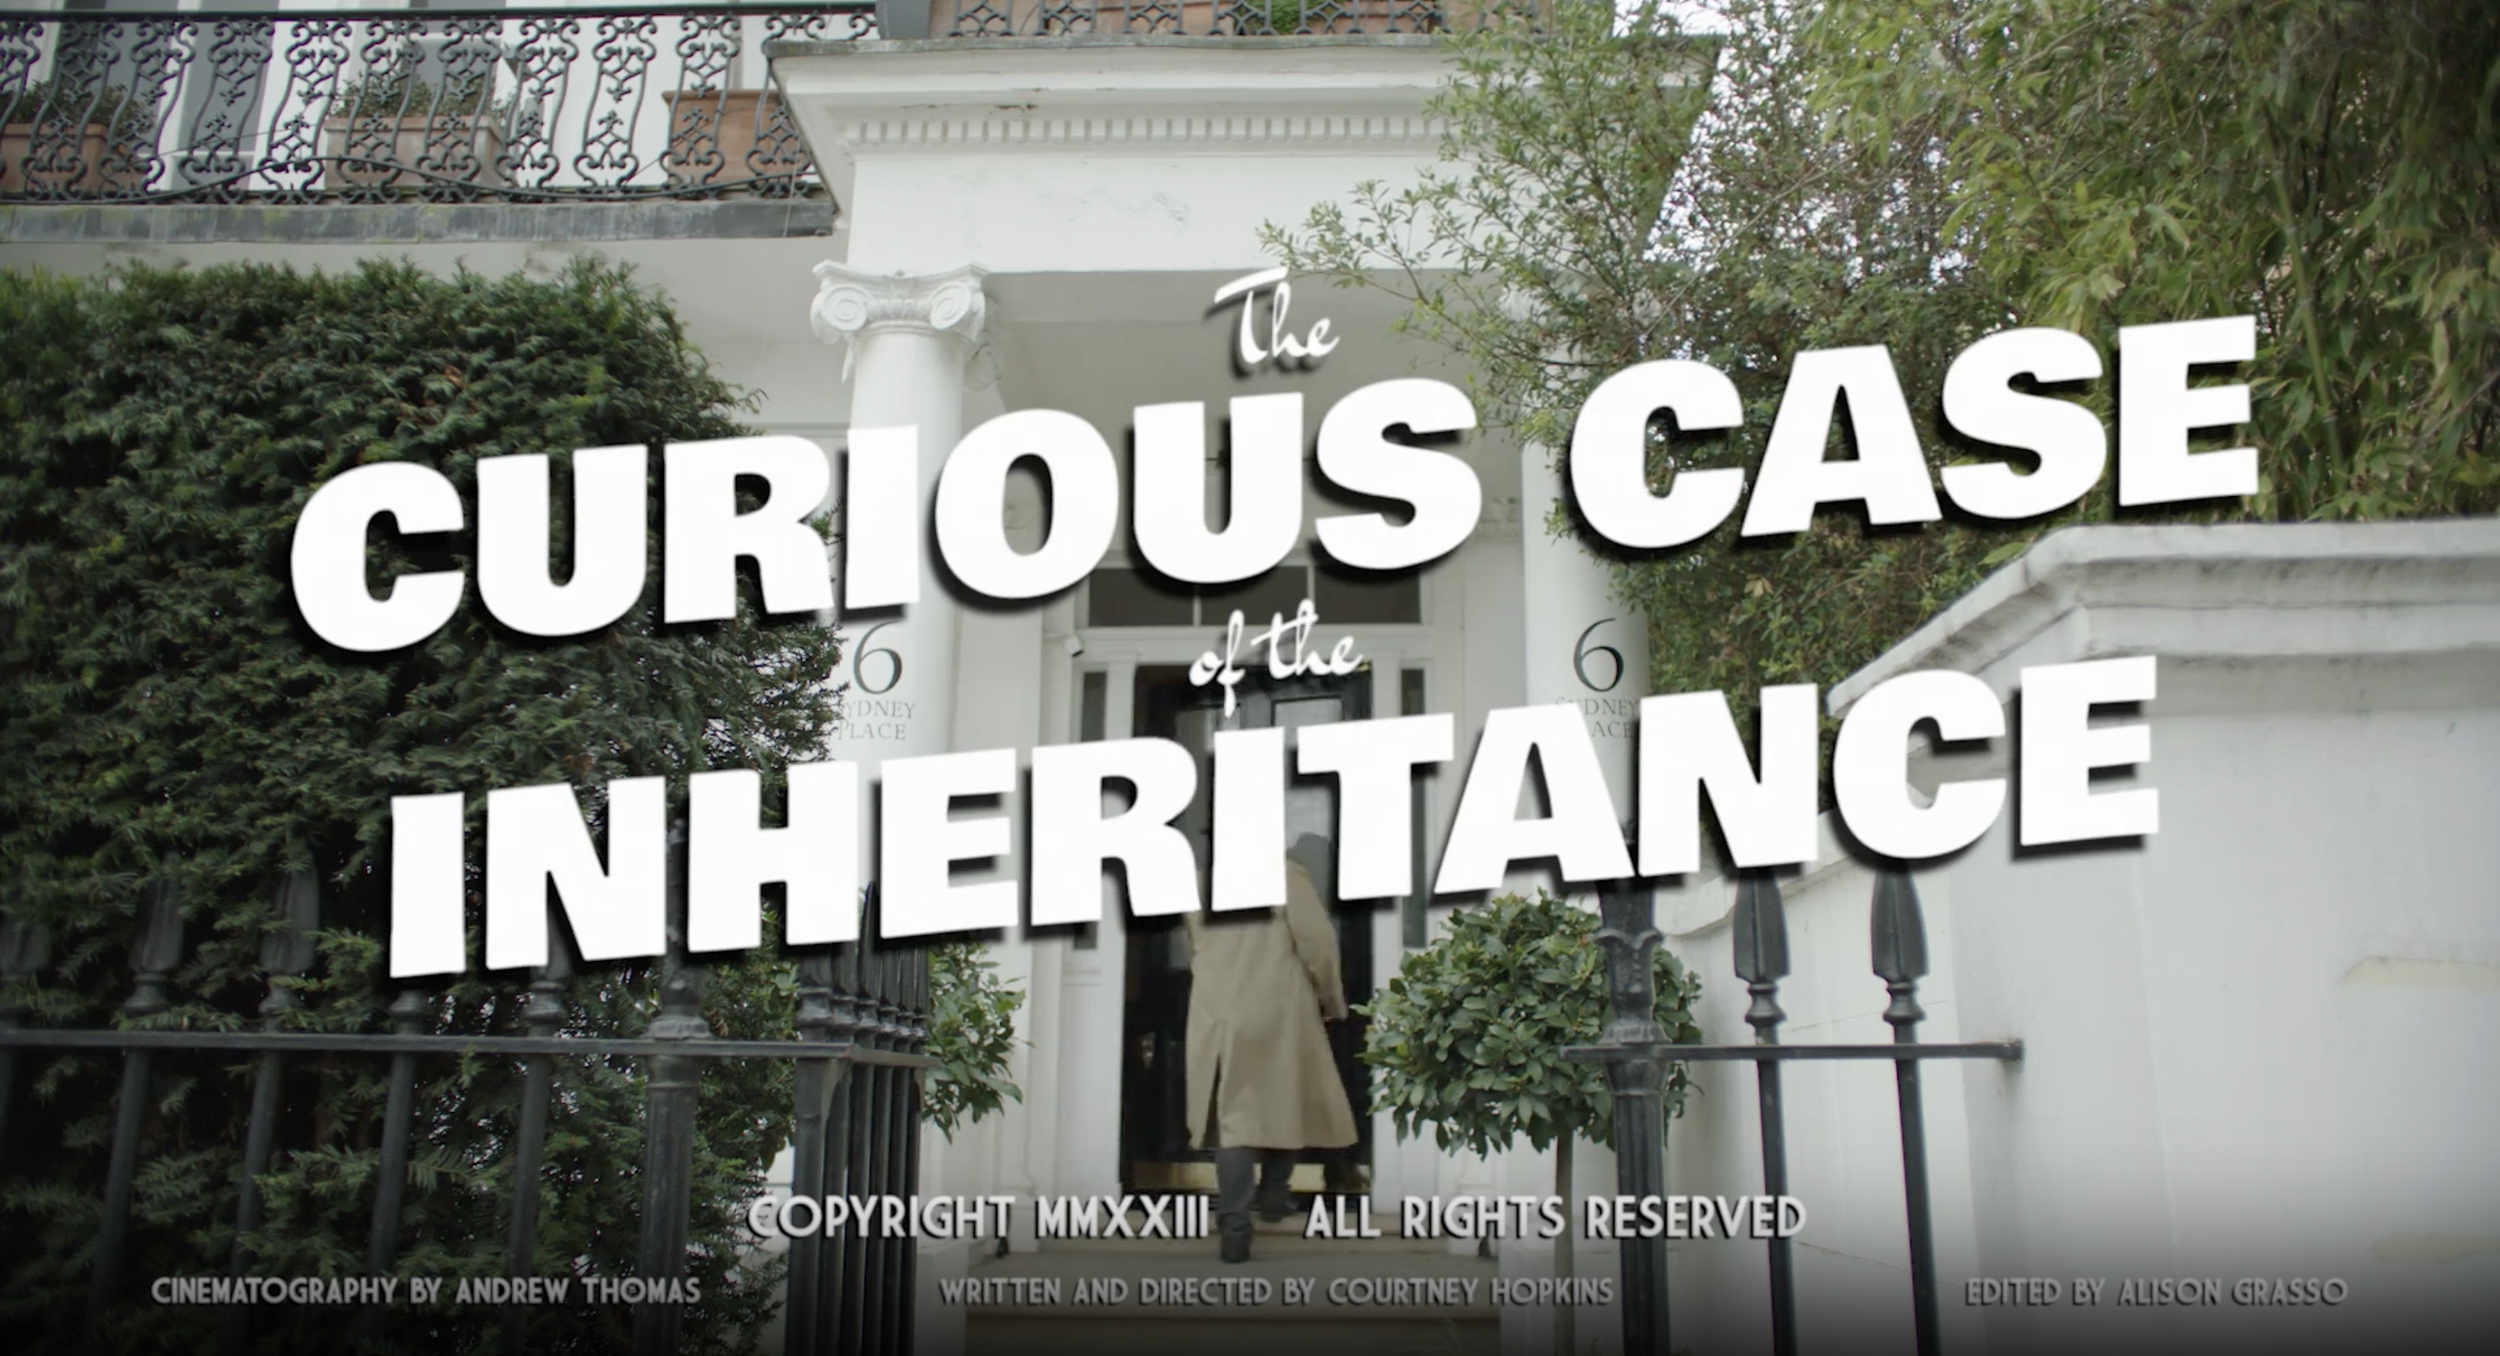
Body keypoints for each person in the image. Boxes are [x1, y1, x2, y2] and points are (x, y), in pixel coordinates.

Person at [1184, 835, 1358, 1263]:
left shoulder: (1200, 885)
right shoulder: (1286, 877)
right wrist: (1332, 1000)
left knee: (1234, 1119)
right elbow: (1318, 944)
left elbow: (1196, 946)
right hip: (1278, 1008)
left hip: (1218, 1011)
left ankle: (1235, 1225)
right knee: (1286, 1100)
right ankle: (1274, 1198)